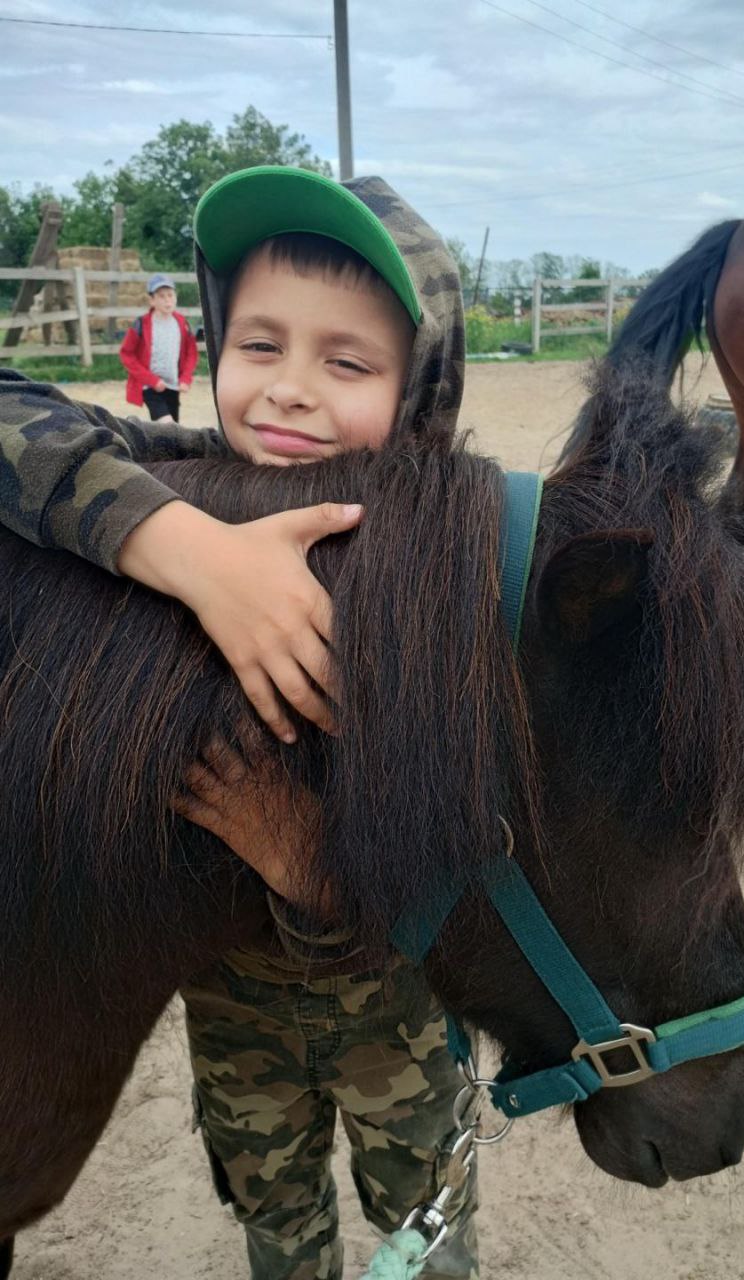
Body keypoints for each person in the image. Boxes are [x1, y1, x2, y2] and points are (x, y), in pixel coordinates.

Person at [0, 165, 473, 1280]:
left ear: (421, 388)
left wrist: (312, 872)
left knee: (425, 1222)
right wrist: (189, 549)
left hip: (394, 1020)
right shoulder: (184, 478)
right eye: (260, 344)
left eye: (346, 362)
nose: (288, 391)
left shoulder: (438, 594)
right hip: (234, 1014)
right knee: (275, 1215)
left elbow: (470, 865)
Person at [119, 270, 198, 422]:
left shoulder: (182, 323)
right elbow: (126, 354)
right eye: (161, 296)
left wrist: (185, 378)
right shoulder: (141, 324)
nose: (167, 300)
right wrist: (151, 380)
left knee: (172, 429)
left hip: (172, 385)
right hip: (150, 386)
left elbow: (191, 353)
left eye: (170, 295)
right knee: (167, 424)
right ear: (152, 300)